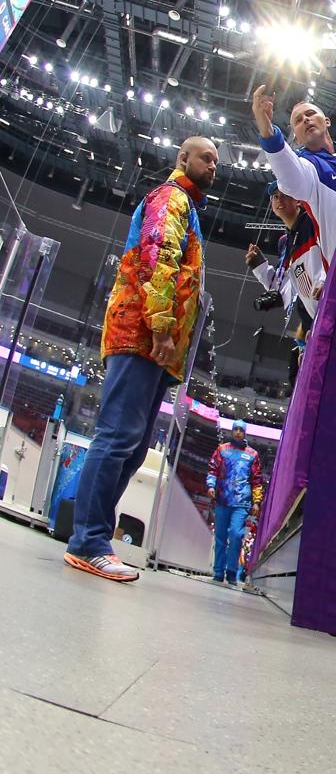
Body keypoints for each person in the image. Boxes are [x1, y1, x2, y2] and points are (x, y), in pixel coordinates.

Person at [62, 137, 218, 583]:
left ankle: (95, 539)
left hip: (155, 344)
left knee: (131, 446)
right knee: (116, 438)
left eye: (216, 161)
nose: (213, 166)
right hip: (142, 334)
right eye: (205, 158)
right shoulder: (170, 198)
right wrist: (162, 327)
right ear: (182, 159)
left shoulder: (187, 206)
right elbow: (157, 258)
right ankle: (88, 541)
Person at [246, 183, 323, 385]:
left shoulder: (314, 222)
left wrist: (327, 280)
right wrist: (260, 267)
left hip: (325, 312)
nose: (279, 200)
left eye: (285, 195)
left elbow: (332, 252)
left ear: (298, 199)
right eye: (275, 197)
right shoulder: (285, 241)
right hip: (311, 322)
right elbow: (282, 292)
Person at [252, 91, 336, 261]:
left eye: (310, 114)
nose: (306, 120)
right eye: (298, 121)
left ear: (327, 121)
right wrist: (267, 130)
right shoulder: (306, 167)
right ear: (297, 139)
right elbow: (290, 177)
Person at [207, 419, 265, 585]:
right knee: (220, 536)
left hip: (241, 503)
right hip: (222, 500)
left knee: (236, 535)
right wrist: (211, 485)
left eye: (241, 429)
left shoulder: (252, 455)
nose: (238, 432)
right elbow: (212, 469)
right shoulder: (222, 450)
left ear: (245, 432)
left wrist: (256, 502)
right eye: (236, 429)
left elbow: (257, 481)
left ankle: (232, 571)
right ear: (232, 431)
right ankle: (218, 572)